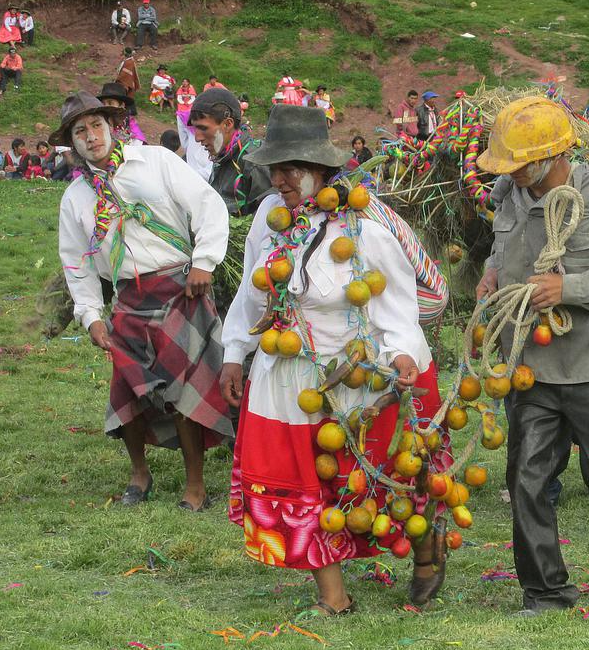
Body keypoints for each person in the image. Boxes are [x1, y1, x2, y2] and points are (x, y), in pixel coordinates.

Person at [220, 104, 454, 613]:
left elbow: (399, 304)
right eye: (273, 168)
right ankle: (334, 596)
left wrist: (402, 356)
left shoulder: (364, 227)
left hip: (355, 377)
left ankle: (426, 552)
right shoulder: (269, 216)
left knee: (382, 476)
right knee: (301, 484)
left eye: (290, 169)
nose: (278, 179)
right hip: (285, 378)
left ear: (320, 171)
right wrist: (234, 350)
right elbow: (250, 290)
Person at [475, 97, 589, 611]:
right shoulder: (508, 194)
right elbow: (503, 246)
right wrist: (493, 272)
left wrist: (568, 289)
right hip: (530, 368)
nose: (512, 175)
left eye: (518, 164)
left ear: (551, 155)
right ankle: (546, 590)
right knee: (527, 480)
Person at [53, 91, 233, 511]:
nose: (91, 137)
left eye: (96, 126)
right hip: (128, 301)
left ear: (112, 127)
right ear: (73, 143)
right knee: (127, 393)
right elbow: (74, 264)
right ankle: (140, 474)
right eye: (80, 132)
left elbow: (207, 206)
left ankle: (195, 484)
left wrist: (204, 262)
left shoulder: (156, 162)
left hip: (180, 289)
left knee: (184, 390)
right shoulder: (76, 197)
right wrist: (89, 315)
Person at [188, 88, 273, 216]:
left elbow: (263, 224)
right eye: (195, 128)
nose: (197, 137)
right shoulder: (222, 157)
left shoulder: (254, 163)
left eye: (203, 128)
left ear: (227, 124)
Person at [97, 81, 146, 146]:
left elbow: (139, 144)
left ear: (122, 105)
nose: (105, 106)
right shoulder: (98, 121)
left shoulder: (129, 123)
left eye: (110, 103)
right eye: (103, 103)